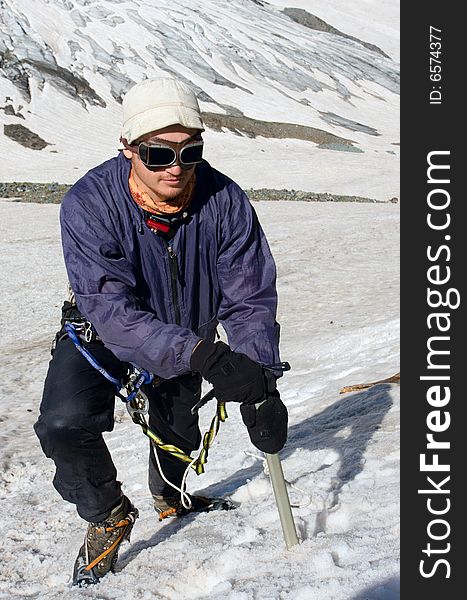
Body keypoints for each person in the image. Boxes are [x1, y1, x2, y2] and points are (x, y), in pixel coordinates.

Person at [34, 77, 288, 586]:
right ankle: (107, 513)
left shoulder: (225, 201)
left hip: (188, 336)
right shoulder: (89, 203)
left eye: (189, 152)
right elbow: (107, 303)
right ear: (128, 148)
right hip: (102, 336)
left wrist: (260, 379)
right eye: (157, 154)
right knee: (63, 423)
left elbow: (249, 294)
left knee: (177, 434)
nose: (176, 168)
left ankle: (170, 497)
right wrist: (202, 356)